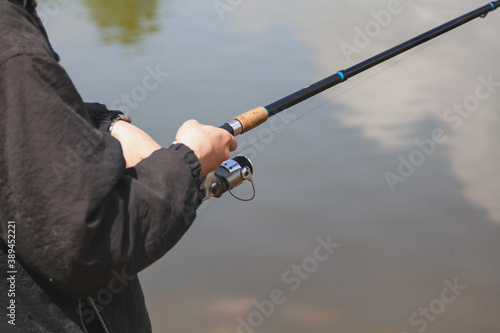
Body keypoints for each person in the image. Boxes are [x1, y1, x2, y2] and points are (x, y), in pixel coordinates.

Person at [0, 0, 237, 332]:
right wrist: (188, 161)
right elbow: (86, 245)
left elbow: (22, 116)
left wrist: (105, 124)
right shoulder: (12, 49)